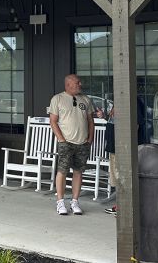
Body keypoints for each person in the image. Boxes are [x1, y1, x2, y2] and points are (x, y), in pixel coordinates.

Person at [49, 74, 94, 215]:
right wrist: (61, 139)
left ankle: (75, 202)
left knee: (78, 172)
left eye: (79, 82)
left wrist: (90, 139)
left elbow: (91, 121)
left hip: (83, 143)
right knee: (62, 171)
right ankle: (60, 202)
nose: (80, 84)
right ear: (68, 84)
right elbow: (53, 121)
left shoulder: (86, 99)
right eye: (77, 82)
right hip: (66, 142)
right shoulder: (58, 99)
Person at [104, 92, 149, 216]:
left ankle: (126, 208)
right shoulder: (119, 102)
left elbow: (136, 124)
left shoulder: (132, 102)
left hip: (123, 148)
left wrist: (126, 145)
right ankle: (120, 205)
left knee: (124, 178)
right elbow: (114, 121)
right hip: (114, 147)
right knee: (117, 179)